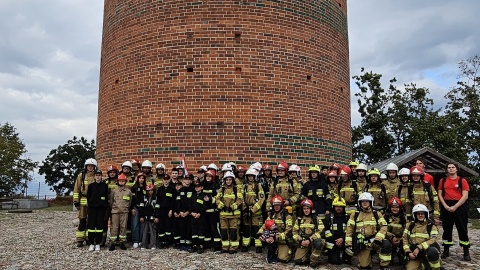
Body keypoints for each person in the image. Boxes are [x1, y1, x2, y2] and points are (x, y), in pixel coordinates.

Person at [345, 192, 391, 269]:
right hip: (363, 244)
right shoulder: (355, 215)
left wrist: (379, 238)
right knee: (364, 266)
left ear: (371, 202)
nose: (365, 203)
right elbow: (349, 229)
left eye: (367, 201)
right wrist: (349, 243)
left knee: (386, 244)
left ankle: (384, 266)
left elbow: (384, 226)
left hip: (375, 241)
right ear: (360, 203)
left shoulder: (377, 214)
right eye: (363, 201)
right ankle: (368, 260)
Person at [438, 162, 471, 261]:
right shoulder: (442, 180)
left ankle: (466, 251)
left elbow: (465, 196)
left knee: (462, 228)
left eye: (453, 167)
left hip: (460, 206)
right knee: (447, 229)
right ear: (447, 169)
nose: (451, 169)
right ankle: (446, 251)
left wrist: (455, 206)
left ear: (457, 169)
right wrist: (445, 205)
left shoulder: (462, 180)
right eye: (449, 167)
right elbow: (440, 194)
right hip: (446, 205)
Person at [402, 204, 442, 270]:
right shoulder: (409, 226)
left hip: (427, 252)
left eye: (422, 214)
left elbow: (433, 240)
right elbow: (405, 239)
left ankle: (437, 268)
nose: (420, 215)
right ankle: (424, 265)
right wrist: (408, 252)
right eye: (418, 214)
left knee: (432, 252)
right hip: (415, 254)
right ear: (415, 215)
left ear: (426, 214)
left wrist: (419, 247)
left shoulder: (431, 226)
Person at [258, 195, 293, 263]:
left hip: (283, 241)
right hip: (273, 240)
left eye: (278, 205)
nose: (276, 207)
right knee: (265, 237)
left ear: (281, 205)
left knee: (283, 259)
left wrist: (275, 237)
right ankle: (271, 254)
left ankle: (282, 251)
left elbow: (288, 232)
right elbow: (265, 225)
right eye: (275, 205)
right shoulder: (271, 215)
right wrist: (260, 234)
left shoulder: (287, 216)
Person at [292, 198, 325, 267]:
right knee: (298, 261)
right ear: (302, 209)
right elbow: (294, 233)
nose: (306, 210)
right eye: (304, 208)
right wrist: (301, 241)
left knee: (319, 242)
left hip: (313, 241)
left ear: (311, 209)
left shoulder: (316, 219)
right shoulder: (299, 220)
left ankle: (313, 261)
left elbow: (321, 231)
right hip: (303, 242)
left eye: (307, 208)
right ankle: (308, 256)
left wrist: (310, 240)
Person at [216, 171, 244, 254]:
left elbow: (240, 200)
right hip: (223, 215)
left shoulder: (236, 189)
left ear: (232, 180)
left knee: (233, 232)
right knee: (224, 232)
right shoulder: (222, 189)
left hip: (234, 215)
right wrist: (221, 205)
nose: (228, 181)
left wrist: (233, 207)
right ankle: (225, 247)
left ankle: (233, 248)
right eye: (227, 180)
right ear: (225, 180)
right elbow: (217, 199)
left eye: (230, 180)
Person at [73, 158, 97, 247]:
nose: (90, 167)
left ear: (94, 167)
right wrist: (76, 201)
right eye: (88, 166)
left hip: (92, 202)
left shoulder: (96, 176)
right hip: (83, 202)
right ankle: (80, 239)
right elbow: (76, 189)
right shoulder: (81, 176)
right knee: (82, 221)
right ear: (86, 166)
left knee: (90, 222)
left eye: (92, 166)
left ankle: (88, 238)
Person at [241, 168, 265, 253]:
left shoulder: (258, 186)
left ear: (255, 177)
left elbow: (261, 200)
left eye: (252, 176)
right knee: (246, 229)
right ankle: (245, 245)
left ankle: (258, 246)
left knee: (256, 229)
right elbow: (241, 198)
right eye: (248, 176)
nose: (250, 178)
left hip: (256, 213)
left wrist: (253, 210)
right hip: (246, 211)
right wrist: (245, 208)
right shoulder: (244, 186)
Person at [323, 197, 352, 265]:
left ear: (343, 207)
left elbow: (349, 230)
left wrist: (342, 238)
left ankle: (346, 257)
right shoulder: (328, 217)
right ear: (333, 207)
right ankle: (332, 253)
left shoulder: (347, 218)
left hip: (344, 240)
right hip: (333, 242)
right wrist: (335, 241)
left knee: (353, 243)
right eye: (337, 206)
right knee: (334, 261)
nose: (338, 208)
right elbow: (326, 232)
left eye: (340, 207)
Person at [86, 169, 108, 251]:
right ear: (94, 177)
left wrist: (104, 205)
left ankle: (98, 243)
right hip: (92, 209)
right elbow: (88, 197)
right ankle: (91, 243)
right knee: (91, 226)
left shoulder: (104, 185)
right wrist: (91, 205)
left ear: (101, 176)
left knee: (99, 226)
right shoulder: (91, 186)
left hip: (101, 209)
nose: (98, 177)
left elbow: (106, 197)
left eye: (99, 175)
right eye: (97, 175)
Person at [109, 173, 132, 251]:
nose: (121, 182)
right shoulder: (114, 191)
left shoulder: (128, 191)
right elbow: (111, 202)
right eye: (120, 181)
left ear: (125, 182)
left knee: (123, 227)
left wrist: (126, 208)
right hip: (115, 212)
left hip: (124, 212)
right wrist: (114, 208)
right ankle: (113, 243)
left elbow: (130, 202)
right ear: (118, 181)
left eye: (123, 181)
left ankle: (122, 242)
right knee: (114, 227)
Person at [384, 197, 407, 265]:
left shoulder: (403, 218)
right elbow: (382, 230)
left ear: (400, 208)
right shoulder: (385, 217)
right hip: (389, 238)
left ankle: (401, 255)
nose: (395, 209)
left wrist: (400, 240)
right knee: (386, 244)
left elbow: (407, 231)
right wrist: (391, 237)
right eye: (393, 207)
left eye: (397, 207)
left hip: (400, 239)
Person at [203, 169, 222, 251]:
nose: (208, 178)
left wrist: (210, 199)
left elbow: (218, 198)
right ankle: (207, 244)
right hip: (205, 211)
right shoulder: (203, 185)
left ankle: (217, 245)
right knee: (206, 228)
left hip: (213, 211)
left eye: (210, 176)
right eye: (207, 176)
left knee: (214, 228)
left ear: (213, 177)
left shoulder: (216, 186)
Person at [155, 174, 174, 249]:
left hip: (168, 210)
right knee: (161, 226)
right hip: (161, 210)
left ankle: (167, 242)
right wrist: (157, 213)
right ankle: (162, 241)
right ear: (162, 180)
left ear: (169, 180)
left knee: (168, 226)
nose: (166, 181)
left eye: (167, 179)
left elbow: (173, 201)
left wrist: (171, 210)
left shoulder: (172, 189)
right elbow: (157, 201)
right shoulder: (159, 189)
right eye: (164, 179)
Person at [101, 164, 119, 246]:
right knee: (104, 222)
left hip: (116, 205)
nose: (112, 174)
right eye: (110, 172)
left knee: (115, 223)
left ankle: (114, 239)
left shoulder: (119, 182)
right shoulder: (104, 182)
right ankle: (103, 239)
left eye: (113, 172)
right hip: (106, 205)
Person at [189, 178, 208, 253]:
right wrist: (192, 212)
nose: (197, 188)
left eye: (198, 187)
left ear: (202, 187)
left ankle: (201, 245)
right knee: (194, 231)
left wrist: (199, 213)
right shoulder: (193, 196)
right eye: (196, 187)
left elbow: (204, 206)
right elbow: (190, 205)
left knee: (201, 231)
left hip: (201, 216)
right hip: (193, 216)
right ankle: (194, 245)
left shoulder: (204, 196)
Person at [139, 183, 158, 250]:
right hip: (145, 217)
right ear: (146, 191)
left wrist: (156, 217)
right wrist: (141, 216)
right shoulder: (143, 198)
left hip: (153, 217)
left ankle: (153, 245)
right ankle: (143, 245)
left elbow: (157, 208)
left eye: (152, 190)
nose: (150, 192)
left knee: (153, 231)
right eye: (149, 190)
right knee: (144, 231)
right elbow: (141, 207)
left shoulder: (156, 198)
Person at [131, 172, 146, 248]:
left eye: (143, 178)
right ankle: (135, 241)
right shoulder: (134, 187)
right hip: (136, 207)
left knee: (142, 225)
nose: (141, 180)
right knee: (135, 225)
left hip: (143, 208)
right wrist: (132, 208)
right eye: (140, 178)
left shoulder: (146, 187)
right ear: (138, 179)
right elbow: (131, 199)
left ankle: (141, 240)